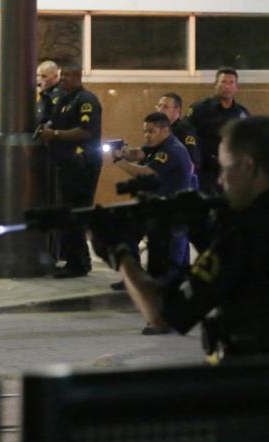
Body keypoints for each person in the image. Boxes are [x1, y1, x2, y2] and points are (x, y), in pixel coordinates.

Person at [93, 116, 269, 361]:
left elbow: (164, 313)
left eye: (226, 168)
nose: (221, 181)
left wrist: (120, 253)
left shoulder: (246, 232)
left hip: (268, 396)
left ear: (249, 166)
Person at [111, 112, 194, 312]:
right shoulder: (160, 145)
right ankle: (141, 281)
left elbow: (148, 172)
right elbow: (140, 152)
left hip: (171, 213)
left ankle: (167, 309)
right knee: (127, 234)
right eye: (145, 131)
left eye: (151, 131)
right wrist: (124, 151)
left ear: (165, 129)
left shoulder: (172, 150)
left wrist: (119, 162)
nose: (147, 135)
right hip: (157, 209)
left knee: (169, 263)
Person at [37, 63, 102, 278]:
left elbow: (85, 131)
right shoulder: (63, 100)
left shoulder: (86, 100)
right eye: (61, 75)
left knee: (76, 212)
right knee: (68, 212)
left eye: (67, 75)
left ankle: (79, 263)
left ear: (78, 76)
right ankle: (75, 259)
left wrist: (54, 134)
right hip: (66, 165)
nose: (62, 79)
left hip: (83, 165)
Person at [187, 68, 249, 195]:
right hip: (205, 173)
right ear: (215, 85)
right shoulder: (200, 109)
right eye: (223, 82)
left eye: (231, 83)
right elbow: (186, 136)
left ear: (236, 87)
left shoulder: (242, 114)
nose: (227, 86)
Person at [155, 92, 201, 188]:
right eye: (159, 106)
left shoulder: (184, 131)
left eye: (165, 107)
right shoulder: (159, 131)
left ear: (177, 110)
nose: (160, 110)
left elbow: (191, 164)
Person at [35, 60, 60, 127]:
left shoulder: (59, 95)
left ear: (55, 77)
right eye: (37, 75)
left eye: (44, 76)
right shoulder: (40, 93)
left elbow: (44, 118)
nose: (39, 79)